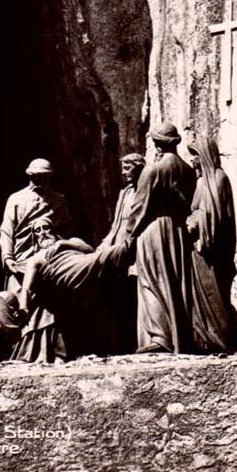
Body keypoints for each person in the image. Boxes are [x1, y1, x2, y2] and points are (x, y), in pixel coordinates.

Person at [13, 217, 131, 363]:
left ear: (54, 230)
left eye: (46, 228)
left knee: (100, 262)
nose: (42, 233)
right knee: (106, 257)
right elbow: (26, 288)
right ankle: (128, 247)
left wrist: (63, 244)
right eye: (38, 231)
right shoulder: (36, 258)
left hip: (85, 263)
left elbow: (89, 249)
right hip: (67, 273)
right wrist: (23, 307)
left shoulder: (73, 242)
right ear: (35, 238)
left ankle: (127, 245)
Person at [125, 122, 198, 354]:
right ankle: (180, 338)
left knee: (151, 282)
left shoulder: (153, 170)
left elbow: (139, 207)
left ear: (156, 143)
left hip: (153, 229)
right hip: (177, 230)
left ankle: (160, 337)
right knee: (176, 283)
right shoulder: (187, 170)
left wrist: (129, 235)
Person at [187, 137, 237, 353]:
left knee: (217, 298)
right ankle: (207, 343)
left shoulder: (218, 179)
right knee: (204, 300)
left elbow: (214, 215)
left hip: (213, 250)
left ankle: (221, 342)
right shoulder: (203, 182)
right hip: (201, 249)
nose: (192, 160)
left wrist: (194, 223)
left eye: (195, 155)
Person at [0, 158, 71, 292]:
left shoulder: (59, 201)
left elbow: (66, 232)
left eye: (43, 177)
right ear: (30, 176)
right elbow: (7, 231)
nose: (39, 181)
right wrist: (8, 258)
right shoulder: (16, 199)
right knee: (17, 300)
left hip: (47, 262)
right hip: (20, 261)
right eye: (35, 177)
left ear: (49, 177)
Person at [97, 152, 145, 354]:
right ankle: (118, 345)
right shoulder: (124, 193)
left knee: (133, 300)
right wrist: (104, 244)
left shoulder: (144, 191)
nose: (124, 172)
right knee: (115, 300)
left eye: (128, 168)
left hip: (134, 253)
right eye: (123, 168)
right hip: (117, 253)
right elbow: (116, 224)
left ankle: (135, 343)